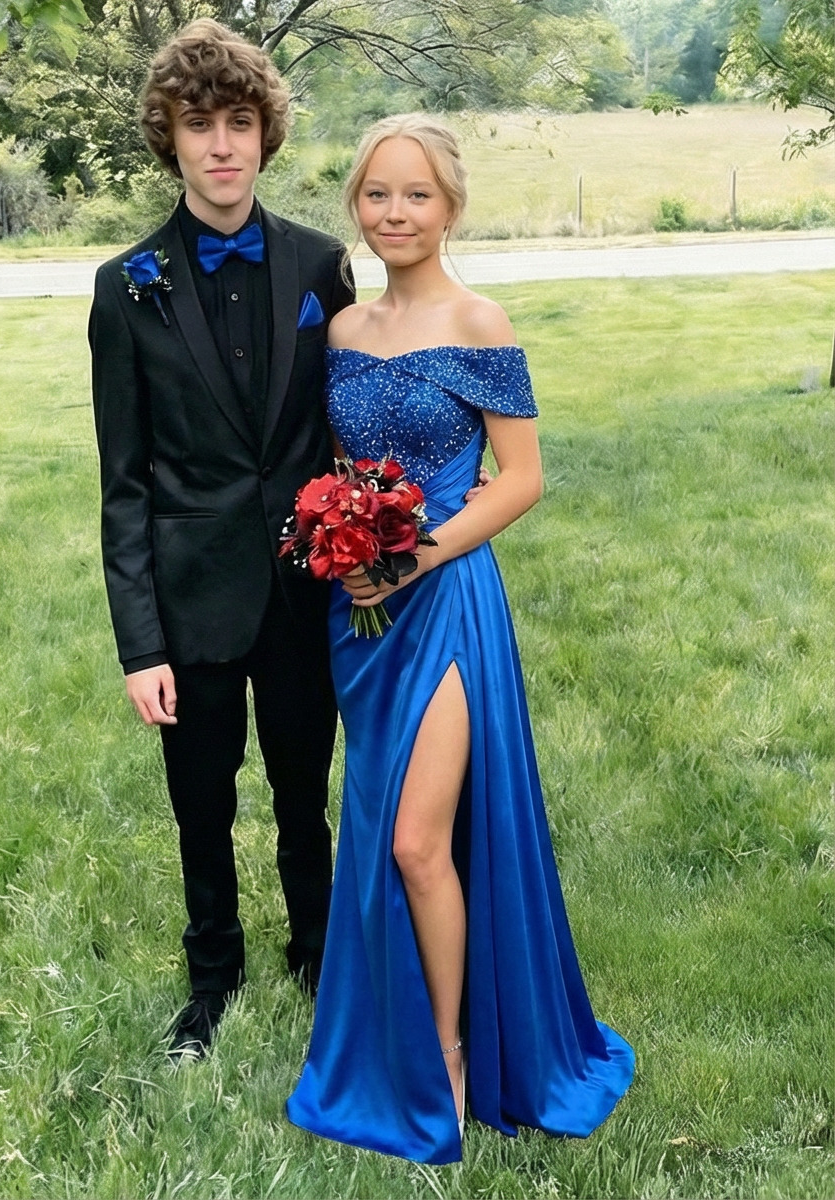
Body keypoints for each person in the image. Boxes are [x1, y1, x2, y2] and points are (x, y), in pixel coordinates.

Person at [285, 114, 635, 1164]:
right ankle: (397, 1036)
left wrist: (416, 556)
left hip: (444, 599)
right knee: (381, 833)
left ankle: (450, 1053)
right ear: (355, 204)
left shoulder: (480, 322)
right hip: (361, 614)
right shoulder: (343, 331)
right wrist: (345, 542)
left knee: (415, 841)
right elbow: (344, 470)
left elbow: (520, 480)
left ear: (450, 206)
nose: (394, 213)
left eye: (417, 195)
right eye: (376, 194)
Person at [88, 19, 354, 1061]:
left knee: (303, 792)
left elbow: (341, 425)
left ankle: (319, 956)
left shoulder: (321, 265)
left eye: (239, 122)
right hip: (190, 595)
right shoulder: (127, 286)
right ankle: (211, 981)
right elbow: (123, 483)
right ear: (171, 137)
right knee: (201, 802)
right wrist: (139, 644)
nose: (222, 145)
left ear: (265, 132)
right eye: (199, 125)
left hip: (301, 587)